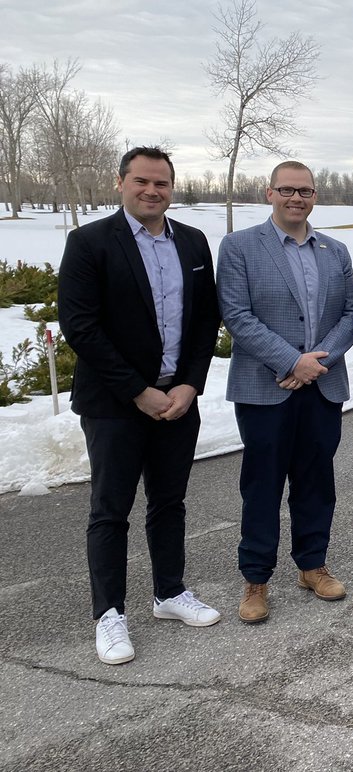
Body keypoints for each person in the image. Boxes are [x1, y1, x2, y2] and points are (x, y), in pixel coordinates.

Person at [58, 146, 222, 665]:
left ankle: (169, 594)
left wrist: (189, 385)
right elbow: (81, 327)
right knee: (110, 510)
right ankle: (109, 615)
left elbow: (203, 321)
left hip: (177, 399)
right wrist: (138, 390)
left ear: (172, 188)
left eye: (162, 184)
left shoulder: (193, 242)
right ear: (121, 183)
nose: (152, 191)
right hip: (115, 403)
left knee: (169, 503)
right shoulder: (89, 242)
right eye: (142, 182)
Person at [217, 160, 353, 624]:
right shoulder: (239, 246)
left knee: (317, 480)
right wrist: (290, 361)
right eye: (287, 190)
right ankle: (256, 579)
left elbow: (352, 313)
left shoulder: (335, 250)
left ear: (315, 196)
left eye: (305, 191)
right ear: (269, 193)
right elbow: (237, 315)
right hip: (264, 388)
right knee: (262, 484)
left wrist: (315, 362)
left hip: (322, 385)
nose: (296, 198)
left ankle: (312, 565)